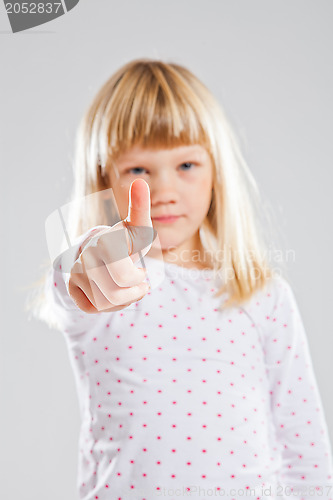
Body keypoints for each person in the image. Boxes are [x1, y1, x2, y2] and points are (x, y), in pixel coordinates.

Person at [28, 58, 333, 499]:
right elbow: (73, 283)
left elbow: (304, 448)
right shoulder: (108, 288)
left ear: (216, 172)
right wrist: (90, 261)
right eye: (138, 171)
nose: (164, 190)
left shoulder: (265, 296)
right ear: (103, 179)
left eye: (186, 165)